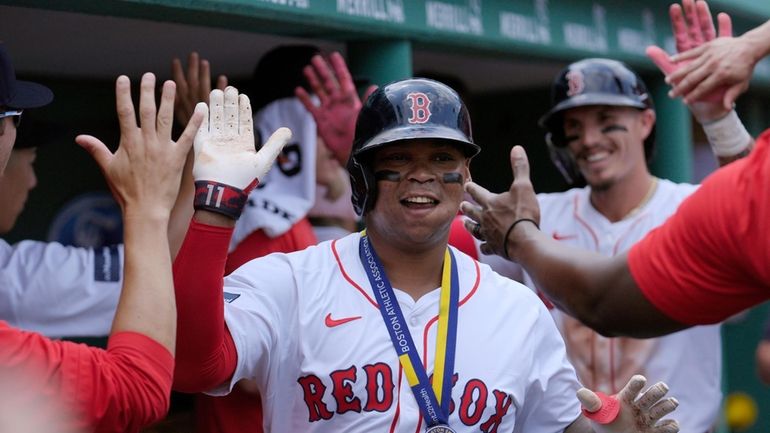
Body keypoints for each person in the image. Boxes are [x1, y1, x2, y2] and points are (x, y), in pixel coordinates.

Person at [171, 78, 679, 432]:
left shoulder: (519, 311)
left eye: (442, 158)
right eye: (398, 159)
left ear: (466, 179)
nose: (423, 175)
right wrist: (216, 205)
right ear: (362, 179)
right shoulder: (290, 281)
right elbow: (195, 368)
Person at [460, 4, 770, 339]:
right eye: (574, 128)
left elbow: (749, 210)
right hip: (571, 394)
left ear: (647, 121)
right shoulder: (536, 213)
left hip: (677, 394)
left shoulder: (690, 205)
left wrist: (719, 119)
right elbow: (439, 248)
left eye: (608, 123)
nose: (589, 140)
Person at [0, 39, 205, 432]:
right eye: (14, 120)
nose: (32, 180)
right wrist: (148, 204)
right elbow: (136, 389)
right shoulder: (10, 281)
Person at [170, 47, 371, 433]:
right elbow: (247, 372)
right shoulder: (267, 227)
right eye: (321, 121)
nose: (334, 143)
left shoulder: (295, 221)